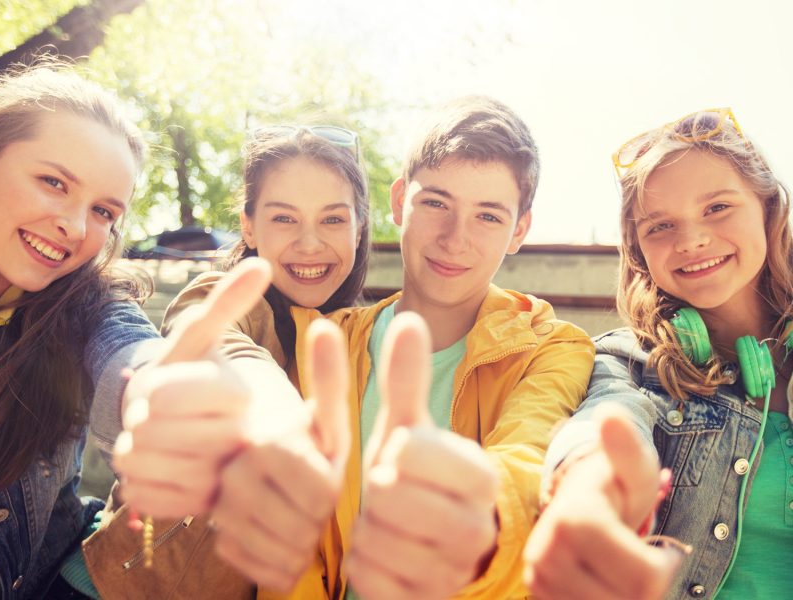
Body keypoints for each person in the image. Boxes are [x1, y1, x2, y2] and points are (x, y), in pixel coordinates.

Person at [211, 95, 596, 599]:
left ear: (520, 229)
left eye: (488, 216)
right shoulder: (327, 341)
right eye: (435, 203)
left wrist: (474, 512)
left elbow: (528, 453)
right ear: (397, 203)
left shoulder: (553, 349)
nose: (455, 238)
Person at [82, 125, 370, 599]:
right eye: (284, 219)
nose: (311, 243)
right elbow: (224, 350)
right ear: (249, 226)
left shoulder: (359, 334)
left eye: (334, 220)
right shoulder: (219, 298)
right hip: (116, 587)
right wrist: (282, 425)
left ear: (360, 228)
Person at [523, 108, 793, 600]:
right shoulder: (629, 363)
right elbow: (607, 422)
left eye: (717, 208)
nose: (690, 240)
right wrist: (587, 491)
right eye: (660, 226)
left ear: (769, 208)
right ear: (639, 251)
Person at [0, 63, 162, 600]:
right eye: (53, 182)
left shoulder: (87, 301)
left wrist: (167, 392)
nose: (74, 226)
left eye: (104, 211)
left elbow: (132, 350)